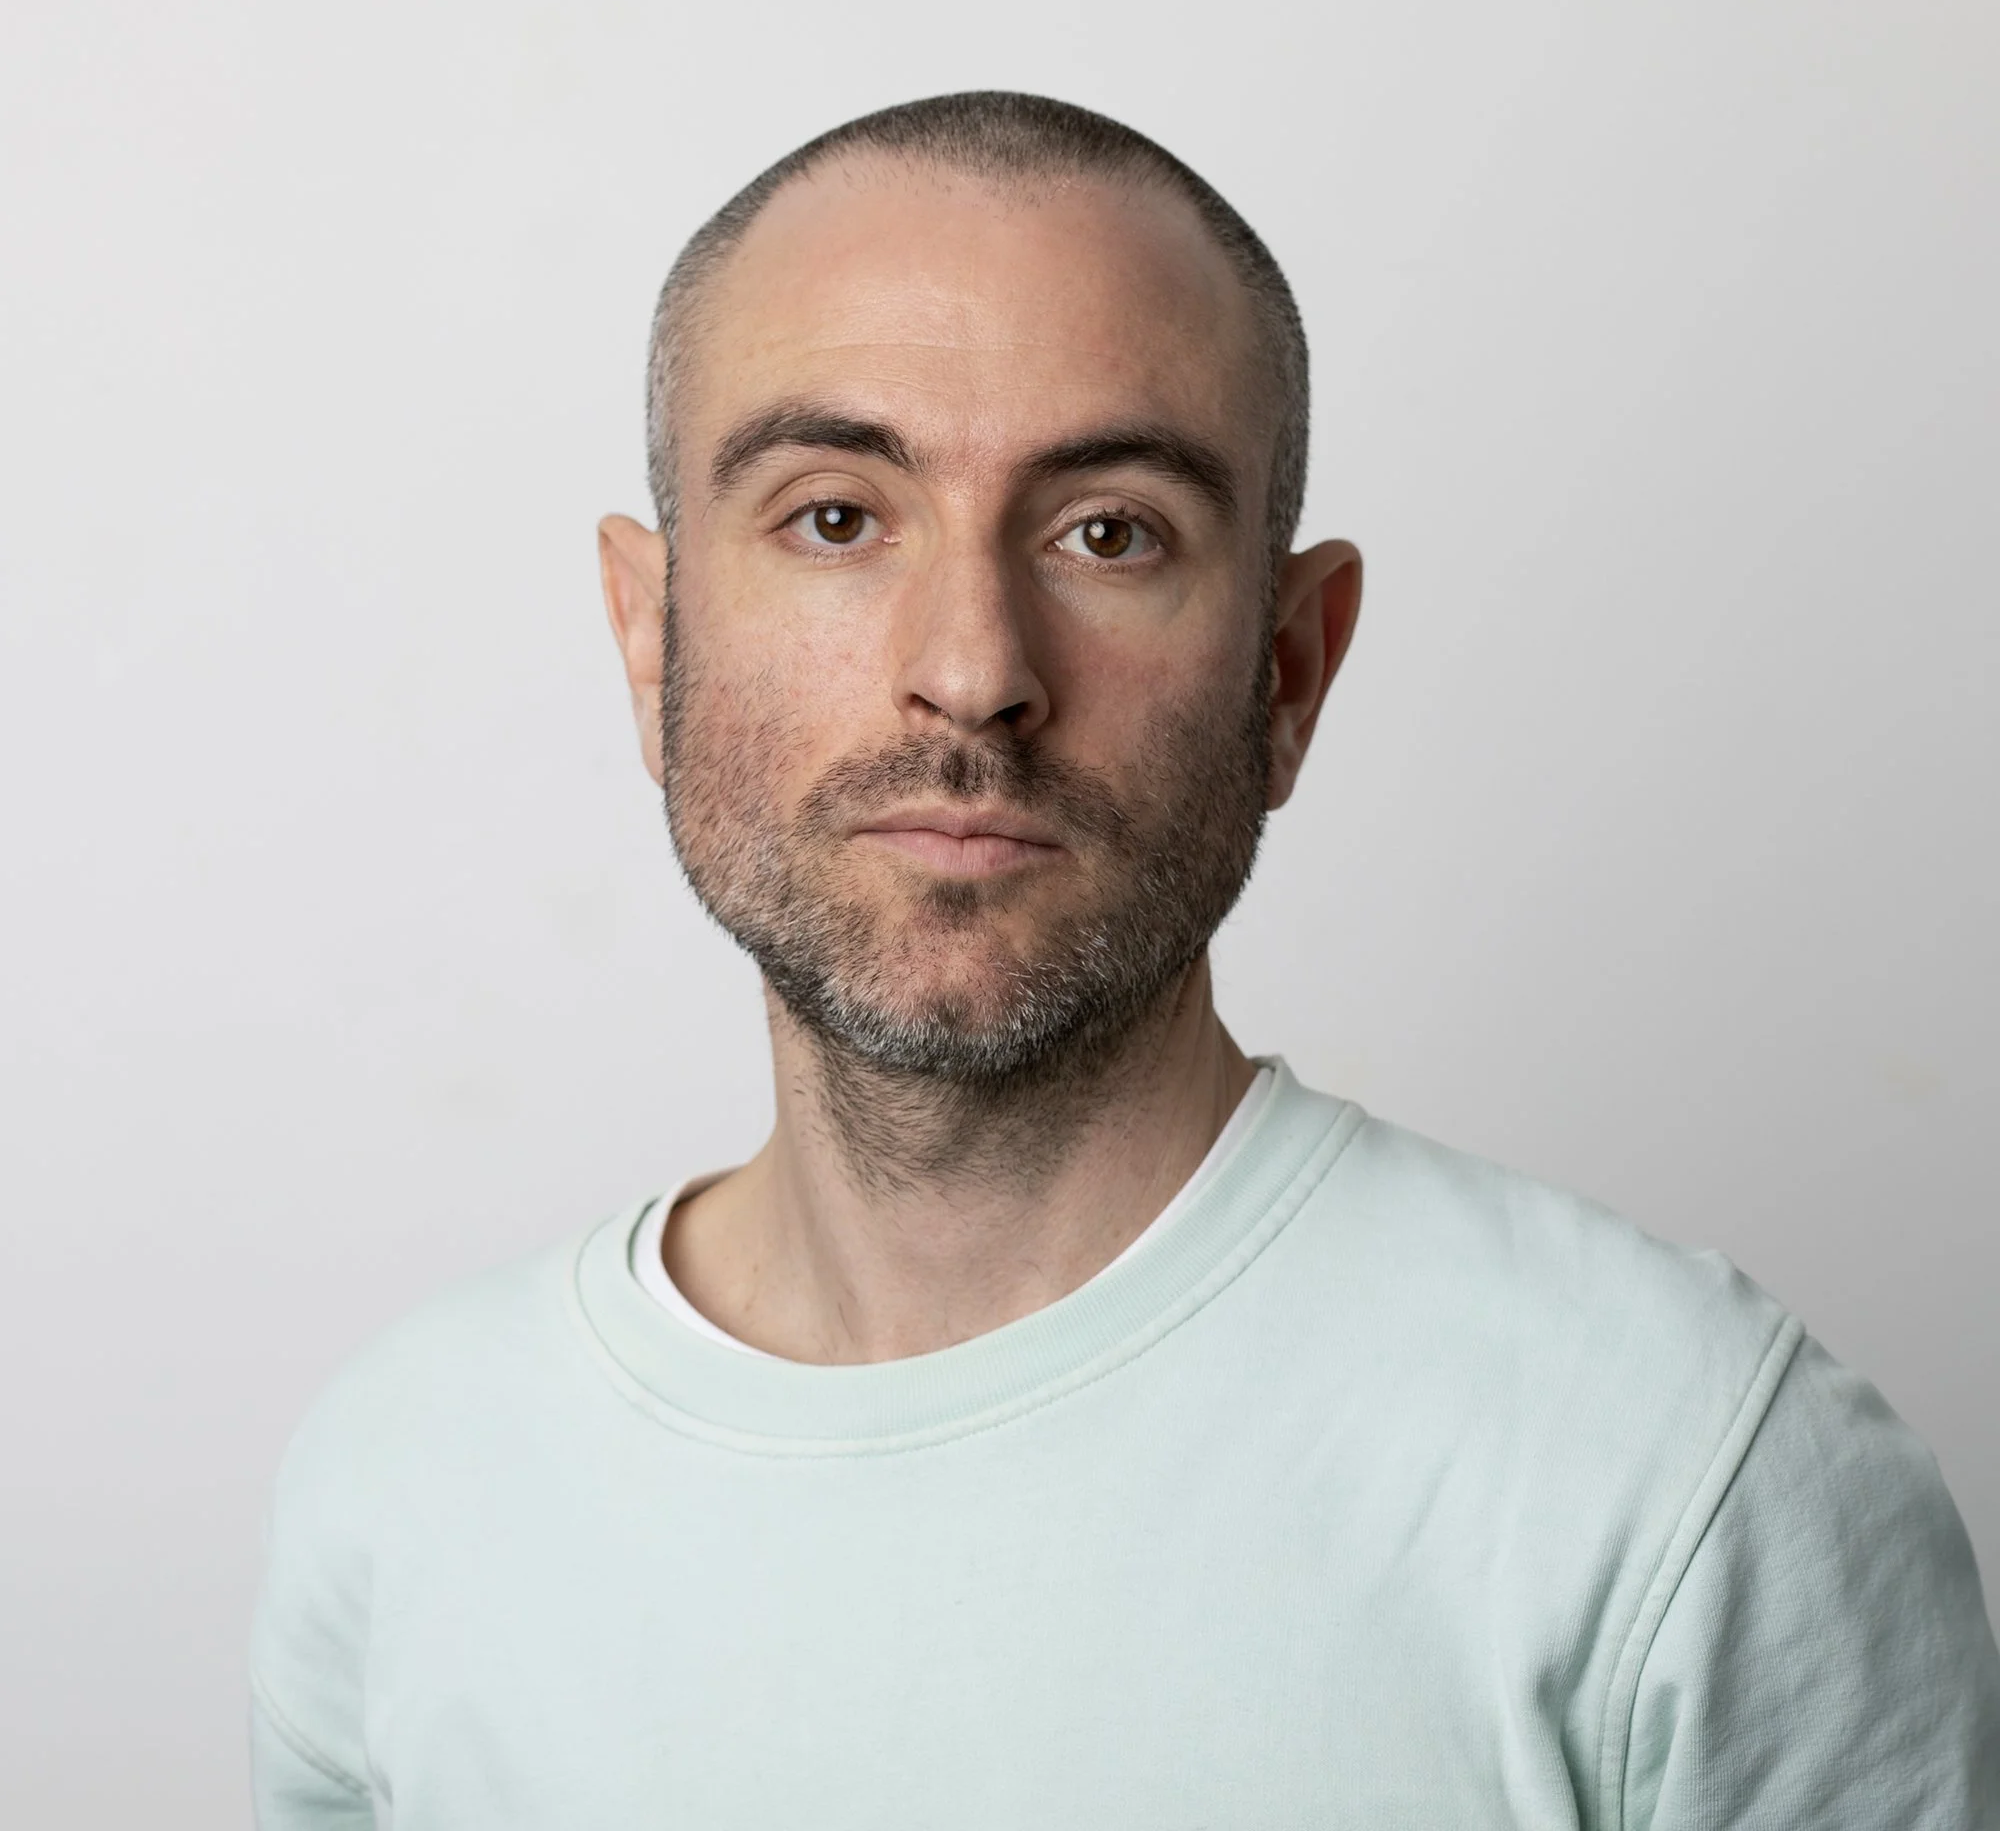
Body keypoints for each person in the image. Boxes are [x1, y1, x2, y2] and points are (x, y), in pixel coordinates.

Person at [250, 92, 1999, 1828]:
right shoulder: (405, 1487)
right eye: (838, 518)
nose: (971, 669)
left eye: (1111, 533)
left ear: (1292, 669)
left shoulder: (1693, 1485)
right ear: (652, 640)